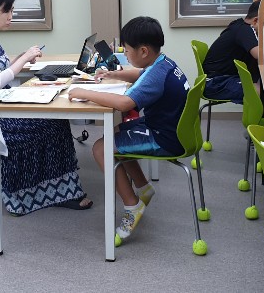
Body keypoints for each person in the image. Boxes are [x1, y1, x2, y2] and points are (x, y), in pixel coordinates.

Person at [0, 0, 92, 214]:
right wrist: (24, 59)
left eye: (12, 10)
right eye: (6, 11)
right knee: (51, 124)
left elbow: (0, 68)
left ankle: (59, 190)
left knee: (56, 121)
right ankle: (33, 194)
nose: (10, 16)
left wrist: (22, 57)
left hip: (3, 104)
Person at [69, 16, 188, 240]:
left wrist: (84, 92)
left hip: (164, 138)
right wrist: (112, 73)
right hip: (170, 128)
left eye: (127, 50)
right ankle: (143, 188)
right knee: (115, 134)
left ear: (143, 51)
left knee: (100, 149)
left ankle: (132, 205)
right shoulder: (163, 63)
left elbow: (125, 103)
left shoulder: (156, 74)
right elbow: (139, 74)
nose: (126, 53)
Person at [200, 0, 261, 103]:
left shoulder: (239, 26)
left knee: (262, 82)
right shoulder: (245, 30)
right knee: (261, 91)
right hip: (214, 83)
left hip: (221, 78)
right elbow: (260, 55)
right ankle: (258, 114)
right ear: (255, 21)